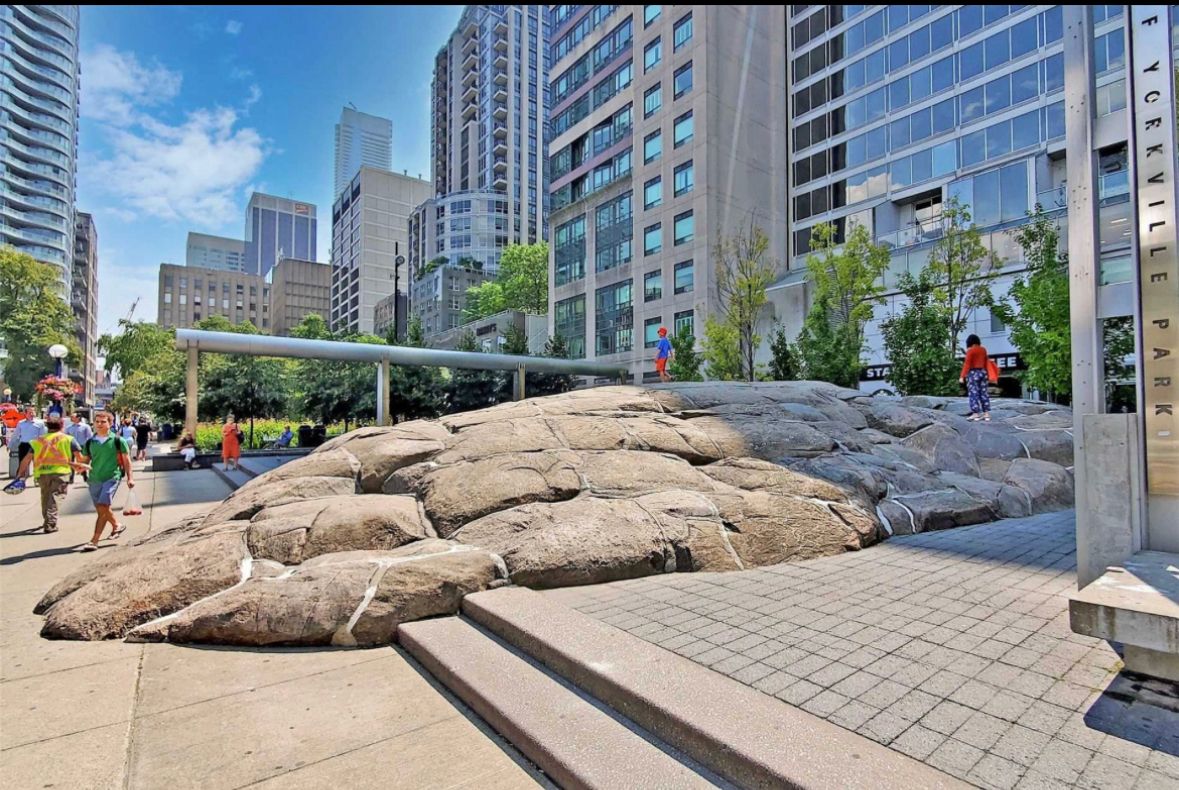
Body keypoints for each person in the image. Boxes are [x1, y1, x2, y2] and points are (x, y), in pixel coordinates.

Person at [14, 414, 86, 533]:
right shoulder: (68, 439)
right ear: (62, 426)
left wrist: (20, 474)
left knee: (45, 497)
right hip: (61, 473)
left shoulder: (38, 441)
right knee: (55, 497)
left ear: (47, 427)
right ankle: (50, 524)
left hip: (42, 473)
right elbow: (80, 457)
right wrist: (83, 466)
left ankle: (47, 520)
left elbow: (26, 459)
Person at [79, 411, 134, 551]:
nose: (99, 424)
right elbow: (85, 461)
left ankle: (94, 540)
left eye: (103, 422)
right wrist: (79, 467)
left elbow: (127, 461)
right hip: (94, 479)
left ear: (110, 423)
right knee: (102, 509)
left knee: (103, 506)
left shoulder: (118, 441)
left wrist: (130, 478)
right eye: (97, 421)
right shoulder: (90, 442)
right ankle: (116, 525)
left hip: (112, 477)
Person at [959, 334, 992, 423]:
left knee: (974, 393)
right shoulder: (983, 349)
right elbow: (986, 362)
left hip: (973, 373)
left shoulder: (970, 351)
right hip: (983, 372)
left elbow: (967, 364)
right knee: (984, 393)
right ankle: (986, 413)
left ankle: (975, 413)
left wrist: (962, 376)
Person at [11, 407, 46, 471]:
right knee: (23, 466)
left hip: (36, 446)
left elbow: (43, 436)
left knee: (37, 465)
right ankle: (22, 476)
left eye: (33, 412)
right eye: (30, 412)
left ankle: (37, 475)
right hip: (24, 446)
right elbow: (15, 435)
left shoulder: (40, 423)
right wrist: (9, 445)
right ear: (25, 413)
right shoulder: (21, 423)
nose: (32, 414)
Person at [65, 412, 93, 484]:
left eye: (73, 417)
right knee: (71, 462)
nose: (71, 418)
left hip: (82, 446)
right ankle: (71, 478)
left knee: (82, 462)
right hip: (71, 446)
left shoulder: (85, 427)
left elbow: (90, 437)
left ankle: (84, 475)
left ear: (78, 418)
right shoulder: (69, 428)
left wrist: (89, 446)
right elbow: (65, 437)